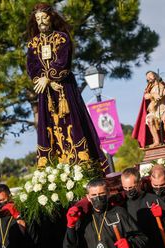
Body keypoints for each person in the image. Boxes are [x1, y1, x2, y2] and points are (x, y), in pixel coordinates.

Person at [26, 3, 108, 171]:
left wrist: (49, 78)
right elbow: (32, 67)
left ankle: (84, 165)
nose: (41, 22)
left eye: (44, 17)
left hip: (65, 90)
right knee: (49, 128)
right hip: (46, 93)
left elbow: (63, 62)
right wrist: (43, 80)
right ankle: (55, 169)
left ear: (51, 17)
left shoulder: (62, 38)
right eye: (38, 19)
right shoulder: (32, 44)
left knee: (73, 123)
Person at [63, 178, 148, 248]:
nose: (98, 198)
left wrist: (130, 245)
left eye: (101, 194)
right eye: (94, 195)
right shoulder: (84, 218)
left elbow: (142, 239)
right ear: (88, 197)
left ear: (108, 193)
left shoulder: (119, 213)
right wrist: (71, 226)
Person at [121, 168, 165, 248]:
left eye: (131, 187)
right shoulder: (123, 204)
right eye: (125, 188)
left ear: (139, 183)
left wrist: (163, 216)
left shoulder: (153, 199)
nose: (128, 191)